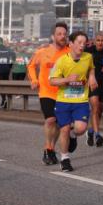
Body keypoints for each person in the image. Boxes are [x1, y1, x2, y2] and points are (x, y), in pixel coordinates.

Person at [48, 31, 97, 173]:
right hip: (63, 101)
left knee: (81, 128)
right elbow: (52, 80)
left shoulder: (88, 57)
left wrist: (92, 77)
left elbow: (91, 68)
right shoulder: (62, 61)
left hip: (81, 100)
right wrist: (67, 80)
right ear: (71, 44)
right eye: (79, 42)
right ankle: (65, 159)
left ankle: (73, 135)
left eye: (84, 43)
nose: (82, 46)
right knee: (64, 129)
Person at [28, 23, 70, 166]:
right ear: (53, 36)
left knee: (58, 123)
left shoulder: (70, 52)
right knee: (50, 119)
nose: (62, 36)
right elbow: (31, 65)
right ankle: (47, 148)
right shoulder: (42, 51)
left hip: (63, 93)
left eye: (64, 34)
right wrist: (34, 80)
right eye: (59, 34)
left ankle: (51, 148)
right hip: (46, 91)